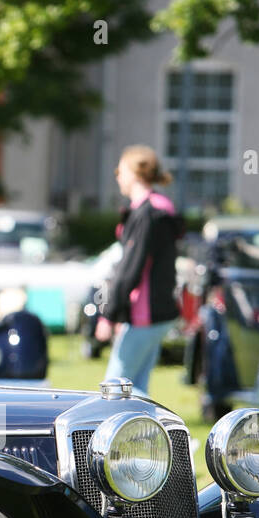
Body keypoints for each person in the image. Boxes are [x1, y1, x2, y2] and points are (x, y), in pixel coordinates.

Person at [98, 145, 181, 396]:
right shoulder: (160, 207)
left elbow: (130, 269)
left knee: (114, 389)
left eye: (120, 170)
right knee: (137, 389)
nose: (117, 176)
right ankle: (153, 433)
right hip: (159, 311)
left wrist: (109, 315)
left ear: (135, 174)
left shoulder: (146, 214)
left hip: (146, 314)